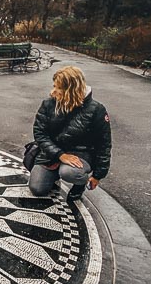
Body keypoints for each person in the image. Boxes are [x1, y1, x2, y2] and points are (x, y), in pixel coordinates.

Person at [29, 66, 112, 202]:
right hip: (53, 154)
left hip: (81, 155)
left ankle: (79, 185)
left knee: (69, 172)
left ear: (71, 89)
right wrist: (60, 155)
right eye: (53, 86)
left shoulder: (97, 110)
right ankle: (54, 175)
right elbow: (40, 133)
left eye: (58, 88)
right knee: (37, 189)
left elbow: (104, 145)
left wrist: (98, 175)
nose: (52, 92)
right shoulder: (48, 104)